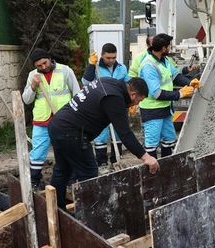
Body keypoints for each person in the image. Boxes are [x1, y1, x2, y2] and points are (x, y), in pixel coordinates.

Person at [49, 77, 160, 208]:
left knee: (63, 169)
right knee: (89, 174)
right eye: (138, 101)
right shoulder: (114, 98)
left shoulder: (109, 82)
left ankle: (56, 209)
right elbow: (125, 134)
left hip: (58, 124)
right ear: (133, 94)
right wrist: (146, 157)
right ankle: (90, 215)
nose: (136, 104)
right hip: (71, 132)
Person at [22, 48, 80, 190]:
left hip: (64, 120)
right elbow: (26, 100)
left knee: (68, 149)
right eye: (39, 66)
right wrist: (33, 86)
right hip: (42, 121)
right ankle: (35, 180)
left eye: (45, 63)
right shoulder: (32, 76)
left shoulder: (65, 71)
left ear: (50, 58)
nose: (43, 67)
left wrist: (76, 117)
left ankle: (71, 180)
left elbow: (77, 94)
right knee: (38, 151)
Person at [139, 33, 200, 158]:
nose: (170, 48)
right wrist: (180, 93)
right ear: (163, 48)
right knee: (151, 145)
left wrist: (189, 82)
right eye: (169, 46)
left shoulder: (165, 61)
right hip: (152, 111)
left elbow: (176, 76)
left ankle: (167, 170)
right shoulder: (148, 66)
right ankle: (153, 175)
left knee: (169, 140)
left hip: (165, 109)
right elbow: (156, 93)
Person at [81, 43, 129, 173]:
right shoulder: (96, 67)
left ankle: (115, 161)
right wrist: (91, 65)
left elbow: (127, 85)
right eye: (108, 58)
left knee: (119, 134)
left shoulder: (121, 68)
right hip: (101, 107)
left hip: (118, 106)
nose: (111, 60)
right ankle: (101, 163)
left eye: (113, 57)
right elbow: (85, 82)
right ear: (102, 55)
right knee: (101, 136)